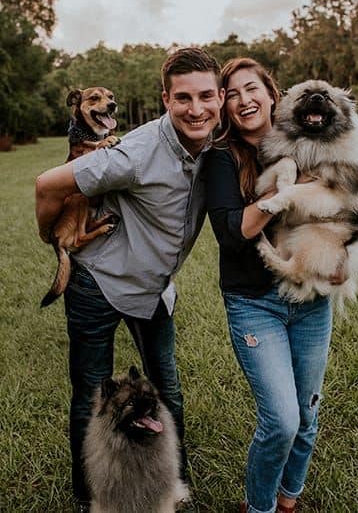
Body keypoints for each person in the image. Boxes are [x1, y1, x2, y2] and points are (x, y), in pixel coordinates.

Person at [35, 47, 224, 512]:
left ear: (220, 98)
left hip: (154, 289)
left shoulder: (219, 143)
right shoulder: (135, 151)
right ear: (166, 99)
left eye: (205, 96)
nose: (195, 109)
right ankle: (89, 497)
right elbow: (47, 184)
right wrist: (52, 239)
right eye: (183, 98)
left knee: (168, 389)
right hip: (96, 284)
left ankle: (174, 488)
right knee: (90, 394)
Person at [204, 58, 333, 513]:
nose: (244, 100)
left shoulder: (310, 144)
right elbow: (234, 231)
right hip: (255, 304)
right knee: (282, 421)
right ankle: (258, 508)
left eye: (251, 89)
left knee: (308, 415)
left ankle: (288, 501)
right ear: (225, 105)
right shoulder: (221, 158)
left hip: (312, 299)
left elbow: (342, 208)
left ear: (271, 94)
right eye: (233, 93)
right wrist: (286, 192)